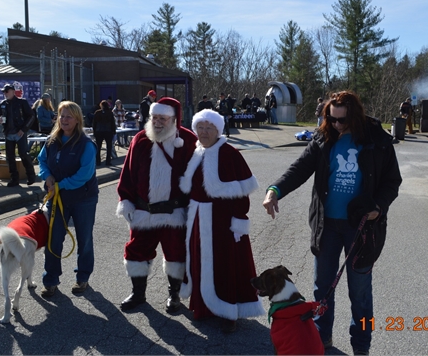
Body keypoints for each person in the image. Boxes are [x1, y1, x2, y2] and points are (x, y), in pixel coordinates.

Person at [262, 90, 402, 355]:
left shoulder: (377, 140)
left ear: (356, 116)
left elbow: (392, 182)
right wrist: (275, 190)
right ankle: (322, 337)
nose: (337, 125)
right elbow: (300, 169)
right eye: (332, 119)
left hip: (361, 227)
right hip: (326, 227)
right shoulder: (323, 138)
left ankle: (362, 346)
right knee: (322, 288)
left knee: (360, 294)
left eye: (343, 120)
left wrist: (378, 207)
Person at [179, 108, 264, 333]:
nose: (204, 132)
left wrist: (239, 220)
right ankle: (203, 307)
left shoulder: (230, 153)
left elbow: (242, 192)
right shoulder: (195, 152)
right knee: (199, 263)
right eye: (201, 127)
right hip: (198, 219)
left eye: (210, 128)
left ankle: (229, 311)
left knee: (226, 264)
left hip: (223, 221)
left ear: (218, 130)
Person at [116, 97, 197, 313]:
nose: (157, 122)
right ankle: (138, 293)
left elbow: (198, 177)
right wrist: (126, 200)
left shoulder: (188, 141)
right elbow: (128, 174)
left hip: (175, 212)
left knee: (176, 254)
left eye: (162, 118)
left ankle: (175, 294)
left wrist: (194, 208)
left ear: (174, 119)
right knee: (136, 251)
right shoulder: (140, 139)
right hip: (144, 211)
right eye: (154, 117)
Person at [37, 101, 99, 297]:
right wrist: (47, 177)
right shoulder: (51, 141)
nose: (64, 120)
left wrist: (60, 185)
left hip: (83, 198)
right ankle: (50, 280)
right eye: (61, 116)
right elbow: (42, 161)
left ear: (77, 119)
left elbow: (84, 175)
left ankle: (82, 278)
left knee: (84, 239)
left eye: (69, 116)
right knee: (53, 239)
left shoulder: (86, 144)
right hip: (57, 198)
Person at [0, 83, 37, 187]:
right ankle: (14, 178)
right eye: (4, 92)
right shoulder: (3, 104)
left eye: (7, 91)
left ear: (13, 91)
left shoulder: (21, 102)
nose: (5, 94)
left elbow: (31, 116)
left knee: (23, 154)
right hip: (8, 133)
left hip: (19, 133)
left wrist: (24, 129)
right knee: (10, 157)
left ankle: (31, 175)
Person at [92, 100, 116, 166]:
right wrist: (113, 131)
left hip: (99, 131)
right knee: (109, 147)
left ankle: (98, 161)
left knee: (98, 147)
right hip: (108, 131)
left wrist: (94, 131)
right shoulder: (110, 113)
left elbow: (94, 123)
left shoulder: (97, 113)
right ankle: (108, 161)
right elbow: (112, 123)